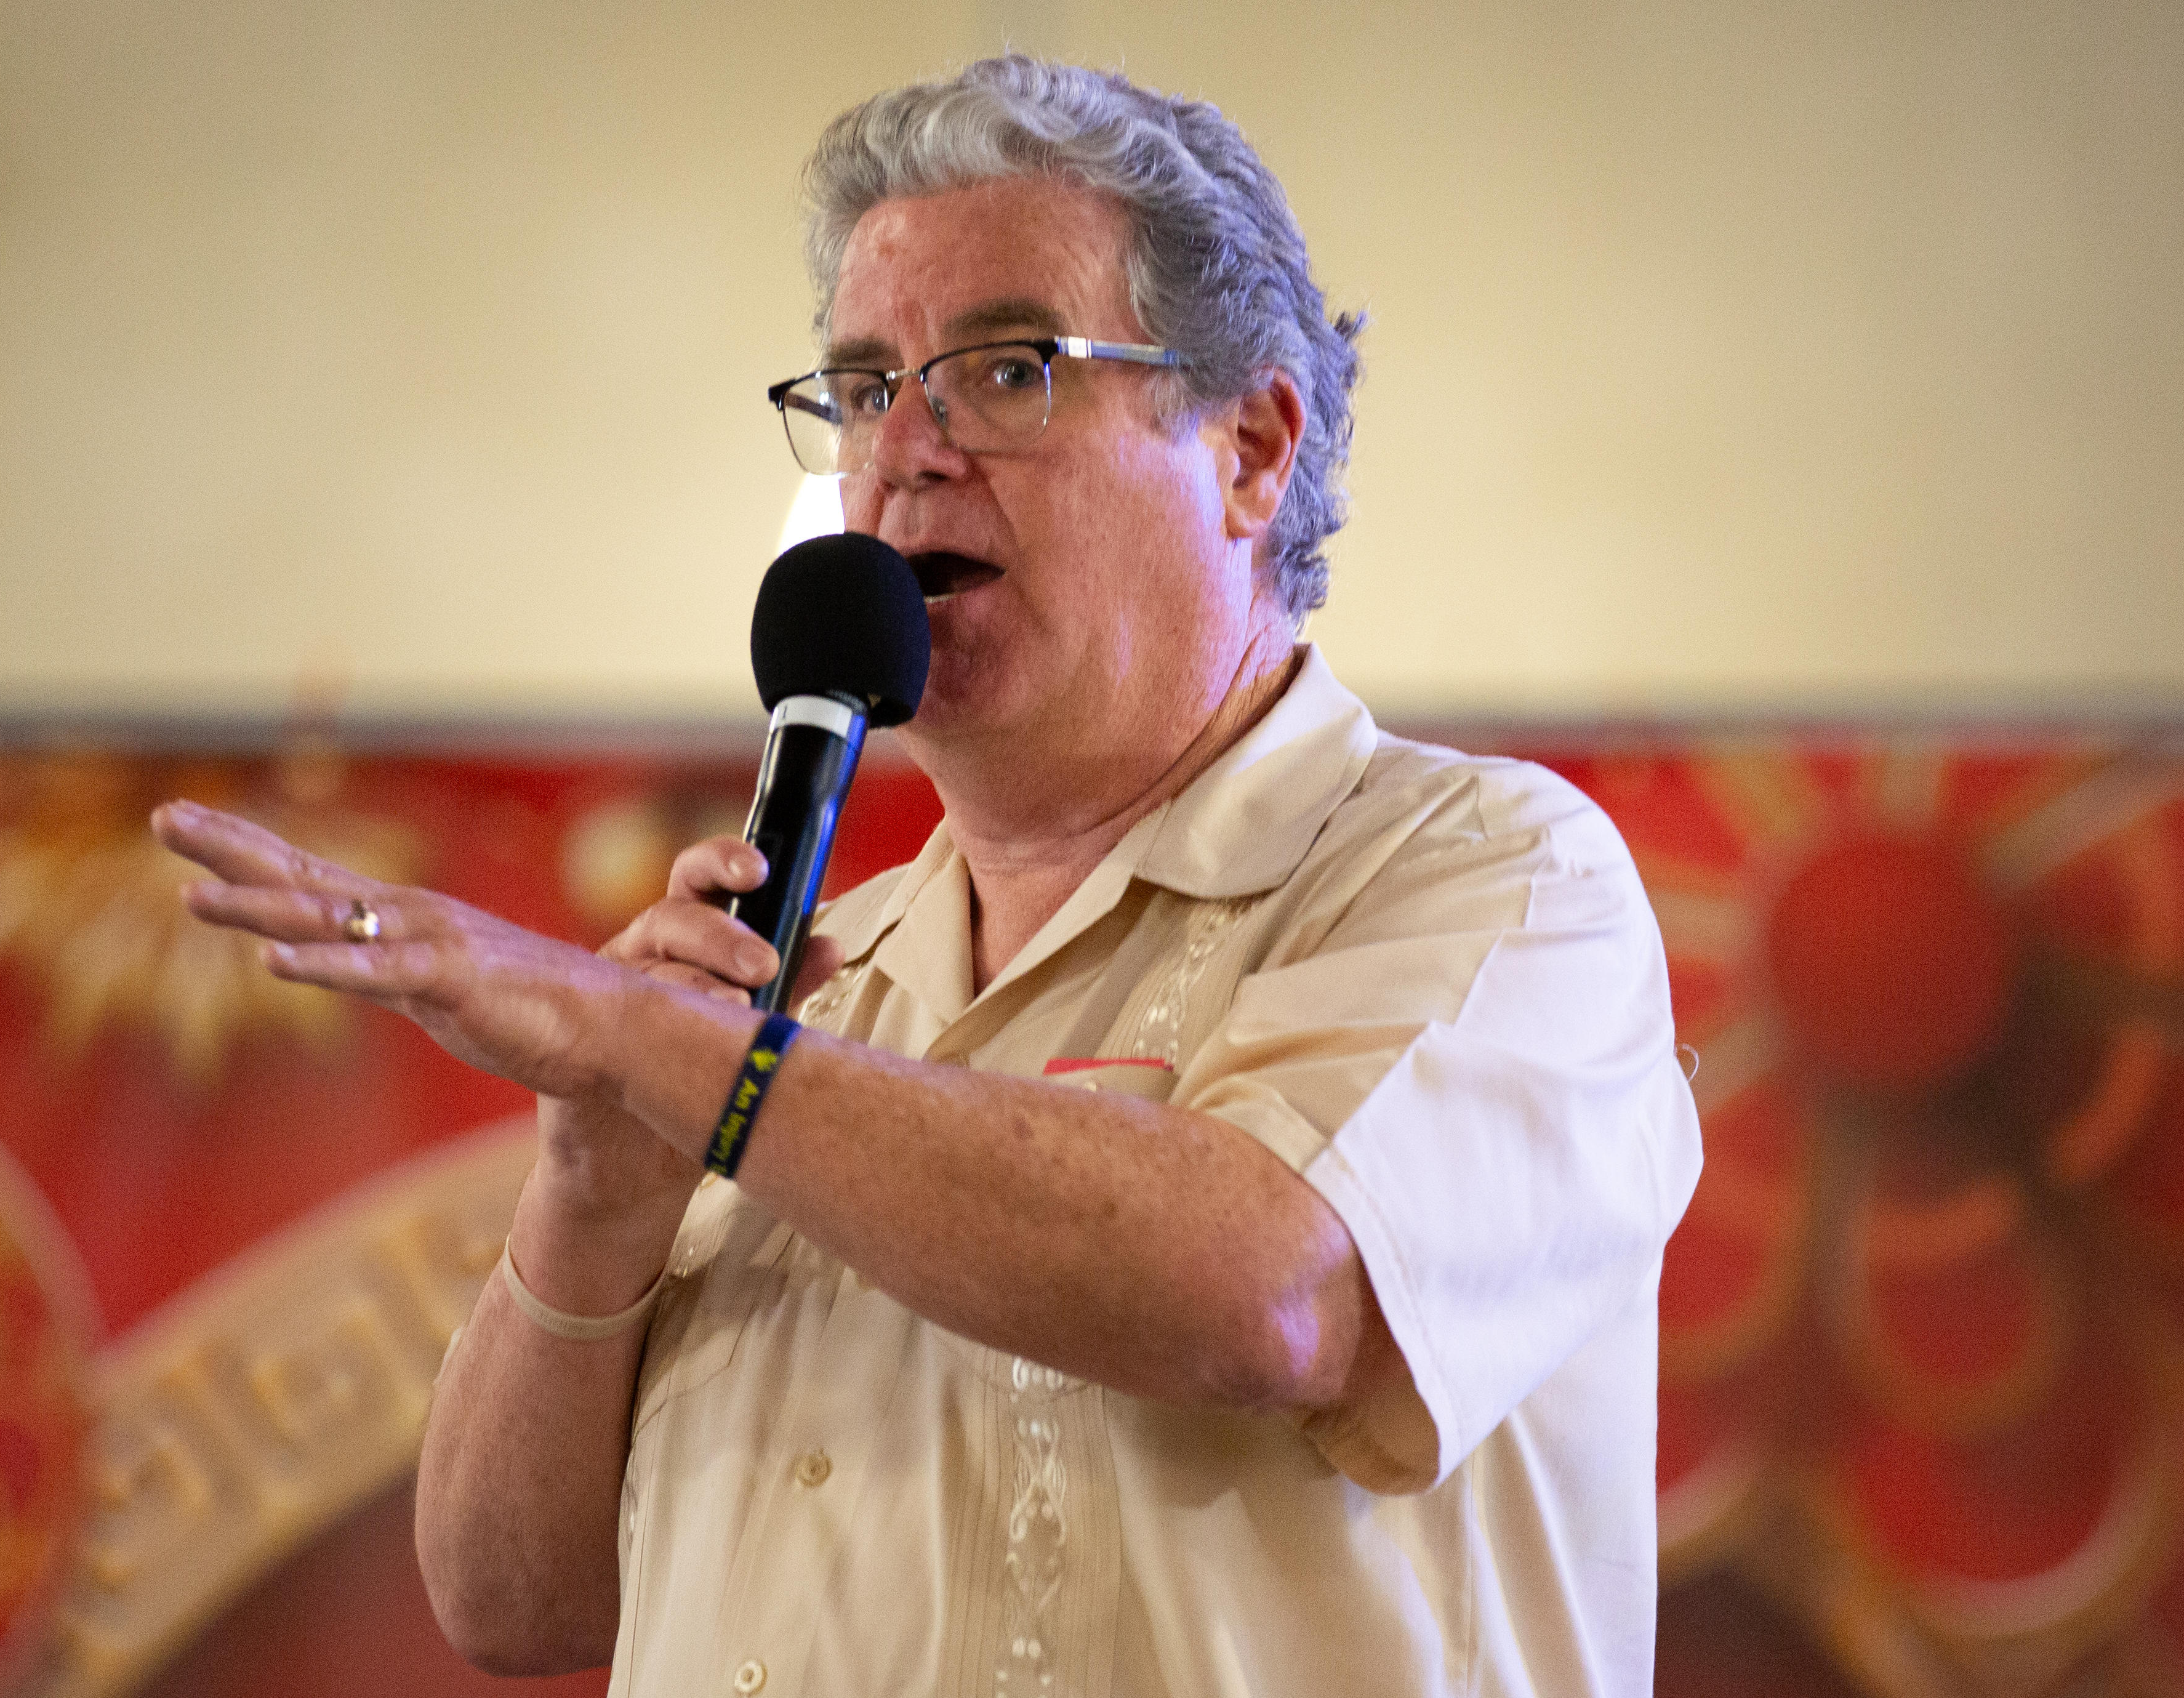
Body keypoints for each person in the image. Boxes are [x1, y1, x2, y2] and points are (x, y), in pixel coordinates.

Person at [156, 56, 1701, 1698]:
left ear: (1249, 447)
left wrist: (665, 1053)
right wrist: (596, 1188)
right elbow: (512, 1598)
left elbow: (1266, 1294)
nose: (903, 449)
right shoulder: (811, 979)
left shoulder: (1492, 881)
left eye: (1009, 366)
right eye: (861, 385)